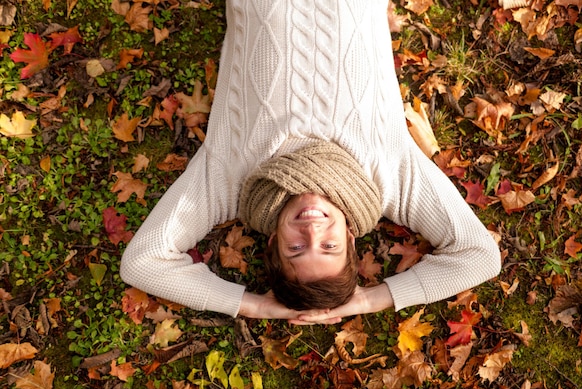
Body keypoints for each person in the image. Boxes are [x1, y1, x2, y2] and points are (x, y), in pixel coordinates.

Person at [119, 0, 501, 325]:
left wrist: (253, 305)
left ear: (273, 242)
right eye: (330, 247)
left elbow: (144, 261)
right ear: (351, 237)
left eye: (296, 250)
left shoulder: (230, 181)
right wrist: (370, 300)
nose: (312, 231)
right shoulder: (390, 178)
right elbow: (478, 256)